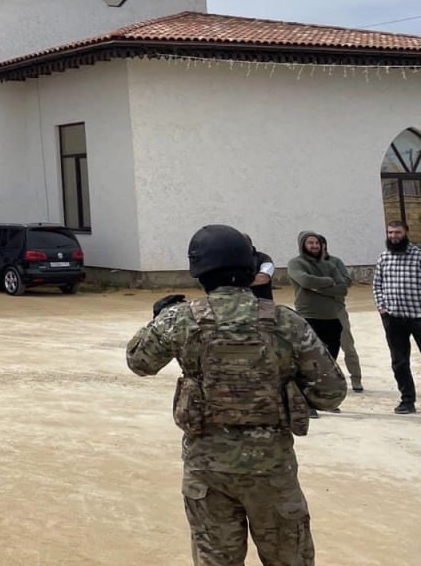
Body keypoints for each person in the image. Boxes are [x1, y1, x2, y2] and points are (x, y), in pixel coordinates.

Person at [127, 224, 346, 566]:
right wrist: (286, 385)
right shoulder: (285, 322)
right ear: (249, 268)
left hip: (207, 472)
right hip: (272, 469)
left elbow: (139, 362)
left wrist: (157, 319)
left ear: (199, 271)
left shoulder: (180, 320)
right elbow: (331, 393)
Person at [288, 230, 350, 417]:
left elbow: (343, 288)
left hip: (331, 317)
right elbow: (305, 280)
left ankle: (325, 400)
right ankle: (307, 403)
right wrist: (329, 282)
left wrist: (318, 288)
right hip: (309, 317)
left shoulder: (329, 265)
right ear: (303, 245)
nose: (314, 246)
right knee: (308, 362)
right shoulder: (296, 263)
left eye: (316, 243)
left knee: (329, 361)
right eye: (310, 243)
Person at [374, 220, 421, 414]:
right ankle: (407, 400)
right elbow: (377, 285)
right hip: (393, 318)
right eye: (390, 232)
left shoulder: (418, 255)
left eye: (397, 232)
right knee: (399, 362)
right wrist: (382, 308)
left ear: (406, 232)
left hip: (418, 317)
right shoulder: (384, 257)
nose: (393, 236)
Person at [324, 247, 363, 393]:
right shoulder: (304, 264)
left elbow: (346, 282)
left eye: (319, 244)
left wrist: (322, 287)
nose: (315, 247)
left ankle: (356, 378)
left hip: (337, 310)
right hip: (315, 313)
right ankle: (326, 381)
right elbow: (305, 285)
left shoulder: (335, 262)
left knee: (348, 346)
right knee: (319, 350)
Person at [248, 237, 275, 301]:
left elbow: (263, 278)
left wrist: (237, 282)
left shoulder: (264, 258)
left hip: (262, 302)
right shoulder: (230, 259)